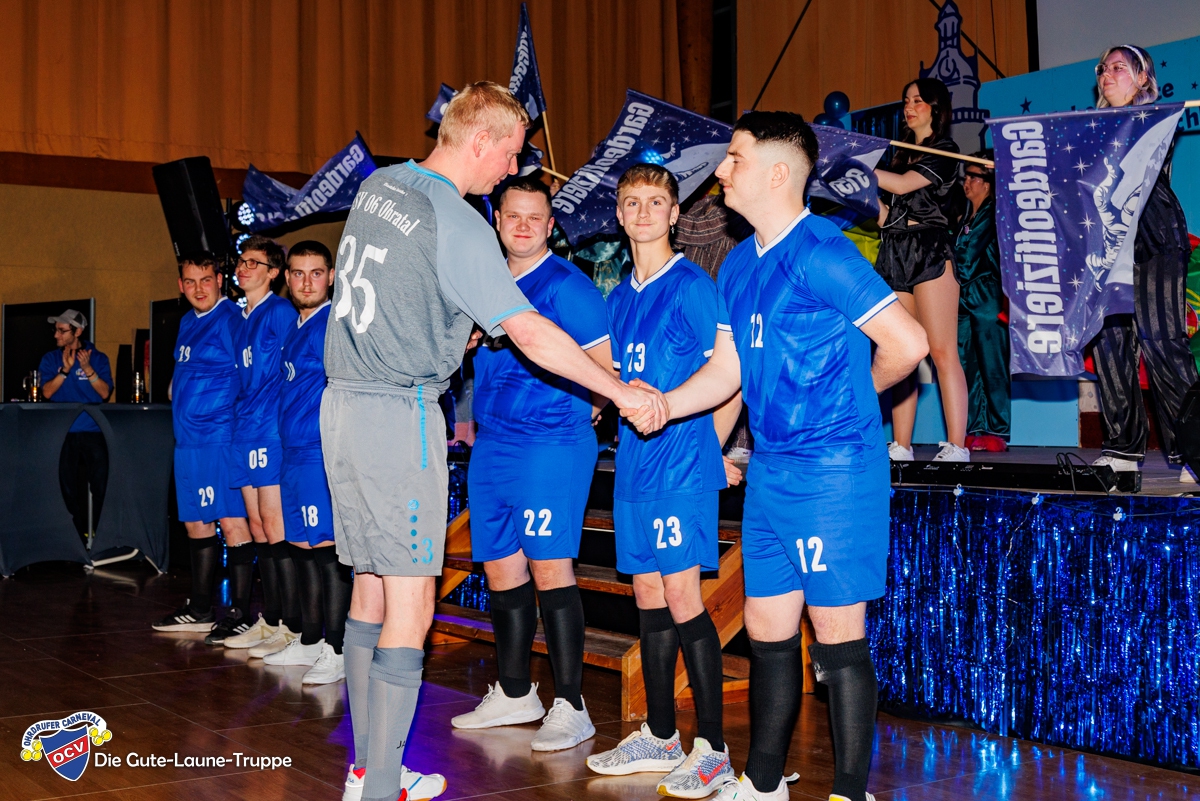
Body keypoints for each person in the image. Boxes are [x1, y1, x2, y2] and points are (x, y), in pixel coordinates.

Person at [321, 81, 663, 801]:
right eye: (510, 153)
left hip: (343, 406)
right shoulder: (459, 219)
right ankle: (380, 787)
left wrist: (452, 326)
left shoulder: (381, 186)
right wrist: (620, 391)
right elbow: (532, 332)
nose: (512, 167)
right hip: (399, 413)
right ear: (480, 140)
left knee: (370, 587)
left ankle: (367, 767)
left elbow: (405, 291)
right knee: (411, 602)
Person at [624, 112, 928, 801]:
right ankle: (762, 783)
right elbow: (727, 370)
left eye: (735, 158)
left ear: (778, 173)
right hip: (770, 471)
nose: (721, 170)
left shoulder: (822, 251)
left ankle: (850, 791)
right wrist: (668, 406)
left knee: (837, 633)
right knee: (766, 629)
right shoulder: (737, 264)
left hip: (833, 470)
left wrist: (847, 399)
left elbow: (908, 344)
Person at [585, 164, 739, 799]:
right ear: (619, 215)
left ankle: (714, 750)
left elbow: (730, 376)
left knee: (682, 596)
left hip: (679, 467)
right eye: (632, 202)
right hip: (633, 467)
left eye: (655, 202)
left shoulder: (694, 287)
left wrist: (712, 450)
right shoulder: (618, 298)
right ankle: (660, 734)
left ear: (675, 214)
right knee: (647, 593)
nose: (643, 212)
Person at [449, 177, 607, 751]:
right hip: (493, 444)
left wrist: (586, 411)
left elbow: (604, 367)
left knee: (549, 570)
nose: (522, 226)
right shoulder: (485, 284)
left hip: (550, 443)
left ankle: (573, 706)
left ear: (549, 225)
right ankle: (516, 692)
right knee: (500, 570)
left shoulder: (568, 285)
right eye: (512, 215)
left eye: (534, 217)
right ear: (496, 220)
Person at [1088, 45, 1199, 483]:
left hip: (1156, 240)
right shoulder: (1088, 130)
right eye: (1103, 68)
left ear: (1142, 79)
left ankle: (1194, 448)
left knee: (1162, 341)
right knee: (1109, 344)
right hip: (1109, 247)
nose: (1107, 73)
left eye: (1119, 67)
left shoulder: (1156, 118)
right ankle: (1122, 448)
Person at [249, 240, 351, 683]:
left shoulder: (333, 325)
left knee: (326, 550)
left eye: (316, 273)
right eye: (297, 273)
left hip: (318, 454)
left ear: (332, 276)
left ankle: (339, 648)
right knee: (303, 548)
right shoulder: (295, 327)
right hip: (290, 452)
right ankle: (310, 639)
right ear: (286, 278)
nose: (306, 282)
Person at [152, 254, 255, 637]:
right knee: (196, 522)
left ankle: (241, 613)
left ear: (220, 280)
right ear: (181, 285)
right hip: (187, 442)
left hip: (219, 440)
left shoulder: (232, 320)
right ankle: (199, 608)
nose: (198, 289)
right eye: (190, 282)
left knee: (232, 522)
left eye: (206, 280)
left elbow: (251, 379)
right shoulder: (186, 321)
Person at [873, 78, 970, 463]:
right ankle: (902, 445)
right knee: (903, 352)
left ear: (935, 107)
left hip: (929, 249)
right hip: (895, 250)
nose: (909, 107)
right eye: (905, 101)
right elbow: (887, 218)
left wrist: (862, 170)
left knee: (943, 352)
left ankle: (957, 446)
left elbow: (902, 186)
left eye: (917, 100)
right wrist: (859, 193)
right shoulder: (899, 157)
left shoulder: (945, 150)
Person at [219, 236, 302, 649]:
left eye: (254, 262)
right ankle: (270, 619)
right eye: (241, 261)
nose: (243, 268)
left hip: (269, 429)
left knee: (275, 525)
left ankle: (293, 625)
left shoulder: (280, 312)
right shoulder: (242, 318)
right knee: (256, 527)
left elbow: (292, 371)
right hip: (244, 427)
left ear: (273, 273)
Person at [39, 310, 112, 539]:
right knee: (66, 489)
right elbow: (46, 392)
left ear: (78, 331)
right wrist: (65, 371)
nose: (56, 335)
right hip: (63, 432)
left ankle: (102, 538)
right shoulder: (50, 359)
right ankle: (74, 539)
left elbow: (104, 393)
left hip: (93, 430)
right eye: (56, 330)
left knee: (101, 486)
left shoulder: (98, 358)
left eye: (62, 331)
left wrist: (88, 370)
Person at [955, 154, 1010, 452]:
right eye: (965, 176)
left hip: (987, 296)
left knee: (992, 364)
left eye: (973, 177)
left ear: (987, 184)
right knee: (966, 363)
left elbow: (966, 257)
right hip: (963, 297)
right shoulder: (966, 216)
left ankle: (997, 430)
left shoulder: (993, 213)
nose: (967, 182)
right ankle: (973, 426)